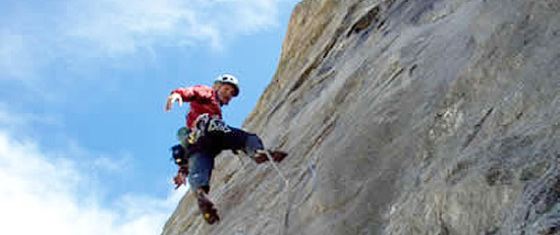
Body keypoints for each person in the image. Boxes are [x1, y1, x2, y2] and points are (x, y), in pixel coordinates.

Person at [165, 74, 288, 224]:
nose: (229, 95)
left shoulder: (216, 109)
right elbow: (193, 92)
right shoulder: (208, 93)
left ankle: (201, 194)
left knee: (200, 167)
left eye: (231, 94)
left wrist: (182, 172)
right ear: (216, 86)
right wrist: (178, 94)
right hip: (208, 132)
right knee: (245, 138)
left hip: (202, 146)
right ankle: (255, 152)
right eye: (227, 89)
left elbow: (192, 162)